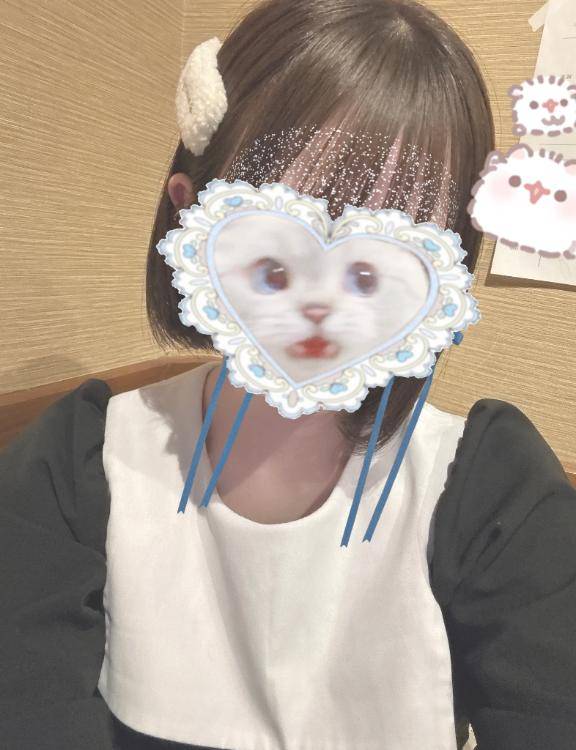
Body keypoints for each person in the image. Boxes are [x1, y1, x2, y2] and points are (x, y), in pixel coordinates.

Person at [1, 1, 576, 749]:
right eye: (282, 235)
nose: (321, 301)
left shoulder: (493, 487)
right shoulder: (77, 460)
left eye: (381, 254)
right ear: (190, 215)